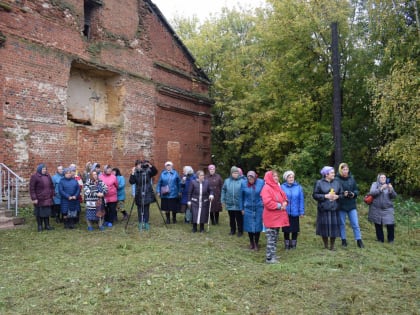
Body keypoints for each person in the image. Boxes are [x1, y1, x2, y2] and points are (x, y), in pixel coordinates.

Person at [261, 170, 289, 263]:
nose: (276, 178)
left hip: (278, 218)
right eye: (274, 176)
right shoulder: (266, 188)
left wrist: (285, 202)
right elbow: (267, 202)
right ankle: (269, 258)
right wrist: (280, 206)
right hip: (271, 218)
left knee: (275, 237)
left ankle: (273, 255)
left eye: (277, 176)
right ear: (269, 178)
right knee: (271, 239)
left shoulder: (277, 186)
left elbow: (284, 197)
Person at [312, 166, 343, 250]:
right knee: (324, 228)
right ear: (326, 174)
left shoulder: (337, 182)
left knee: (334, 229)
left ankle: (332, 246)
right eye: (332, 173)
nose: (334, 174)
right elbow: (315, 195)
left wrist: (337, 196)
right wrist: (325, 196)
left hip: (334, 208)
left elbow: (342, 194)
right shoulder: (319, 183)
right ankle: (325, 245)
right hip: (323, 208)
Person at [335, 163, 364, 248]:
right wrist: (343, 193)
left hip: (351, 204)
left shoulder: (352, 178)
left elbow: (356, 190)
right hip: (341, 204)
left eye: (346, 169)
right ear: (340, 170)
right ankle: (343, 240)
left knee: (355, 223)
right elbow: (335, 191)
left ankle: (359, 240)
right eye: (343, 169)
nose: (345, 171)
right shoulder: (336, 179)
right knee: (342, 224)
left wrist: (353, 194)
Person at [368, 173, 397, 243]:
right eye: (381, 177)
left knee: (390, 224)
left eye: (384, 177)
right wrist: (381, 189)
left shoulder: (388, 185)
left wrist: (391, 190)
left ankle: (391, 239)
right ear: (378, 178)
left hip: (387, 208)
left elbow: (394, 196)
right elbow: (371, 193)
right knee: (378, 224)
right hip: (376, 208)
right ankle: (380, 239)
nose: (383, 179)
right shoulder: (375, 184)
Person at [129, 159, 158, 231]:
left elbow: (155, 172)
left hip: (147, 191)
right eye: (138, 165)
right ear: (136, 166)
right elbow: (131, 182)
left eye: (140, 164)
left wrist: (150, 166)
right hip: (139, 192)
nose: (139, 166)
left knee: (146, 208)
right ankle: (140, 222)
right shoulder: (135, 173)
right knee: (139, 209)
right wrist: (132, 173)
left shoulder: (147, 171)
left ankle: (146, 222)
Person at [281, 170, 305, 250]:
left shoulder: (298, 187)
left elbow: (301, 200)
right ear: (286, 178)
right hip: (285, 212)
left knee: (295, 229)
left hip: (295, 212)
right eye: (289, 177)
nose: (291, 178)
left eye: (292, 177)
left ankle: (293, 245)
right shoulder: (282, 187)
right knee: (286, 229)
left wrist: (301, 211)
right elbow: (280, 199)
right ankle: (287, 245)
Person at [241, 171, 264, 250]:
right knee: (249, 226)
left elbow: (264, 194)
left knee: (257, 226)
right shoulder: (243, 184)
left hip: (258, 207)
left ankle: (256, 243)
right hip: (248, 208)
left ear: (255, 177)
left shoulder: (261, 182)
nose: (250, 180)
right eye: (249, 178)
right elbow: (241, 196)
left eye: (252, 178)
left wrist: (263, 204)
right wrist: (242, 208)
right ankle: (251, 242)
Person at [29, 163, 55, 232]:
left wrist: (52, 193)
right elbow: (32, 188)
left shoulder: (48, 176)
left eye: (45, 169)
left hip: (47, 198)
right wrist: (34, 198)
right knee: (39, 213)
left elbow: (51, 186)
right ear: (39, 169)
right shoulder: (35, 176)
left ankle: (47, 225)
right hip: (39, 199)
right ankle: (40, 226)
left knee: (47, 212)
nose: (44, 170)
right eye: (43, 169)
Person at [221, 166, 244, 237]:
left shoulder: (242, 181)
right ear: (231, 173)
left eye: (237, 173)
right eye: (234, 173)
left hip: (238, 203)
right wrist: (222, 199)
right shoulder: (227, 181)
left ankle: (240, 231)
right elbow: (223, 190)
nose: (236, 174)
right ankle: (232, 230)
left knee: (239, 218)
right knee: (231, 218)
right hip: (230, 203)